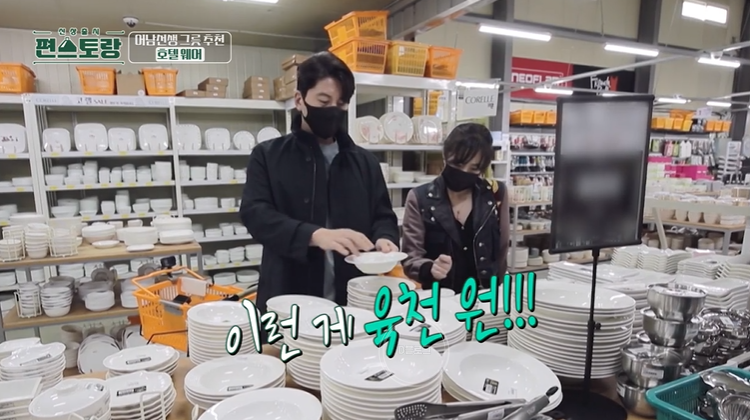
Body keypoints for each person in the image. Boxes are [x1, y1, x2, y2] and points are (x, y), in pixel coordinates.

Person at [240, 52, 400, 317]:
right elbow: (255, 214)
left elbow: (383, 215)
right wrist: (313, 235)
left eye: (341, 103)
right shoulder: (268, 156)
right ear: (299, 100)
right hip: (288, 295)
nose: (333, 110)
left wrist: (385, 238)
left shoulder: (365, 162)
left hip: (354, 296)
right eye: (324, 101)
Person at [401, 123, 510, 293]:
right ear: (445, 156)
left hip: (485, 296)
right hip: (440, 298)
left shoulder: (495, 194)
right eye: (458, 164)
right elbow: (410, 258)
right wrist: (430, 269)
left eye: (474, 168)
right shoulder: (420, 198)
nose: (464, 172)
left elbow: (502, 251)